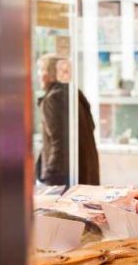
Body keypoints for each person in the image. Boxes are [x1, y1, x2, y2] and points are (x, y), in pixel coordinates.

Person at [37, 54, 100, 186]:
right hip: (84, 173)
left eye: (42, 70)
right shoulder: (75, 94)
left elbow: (59, 142)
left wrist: (50, 178)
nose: (39, 75)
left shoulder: (53, 99)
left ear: (51, 74)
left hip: (64, 180)